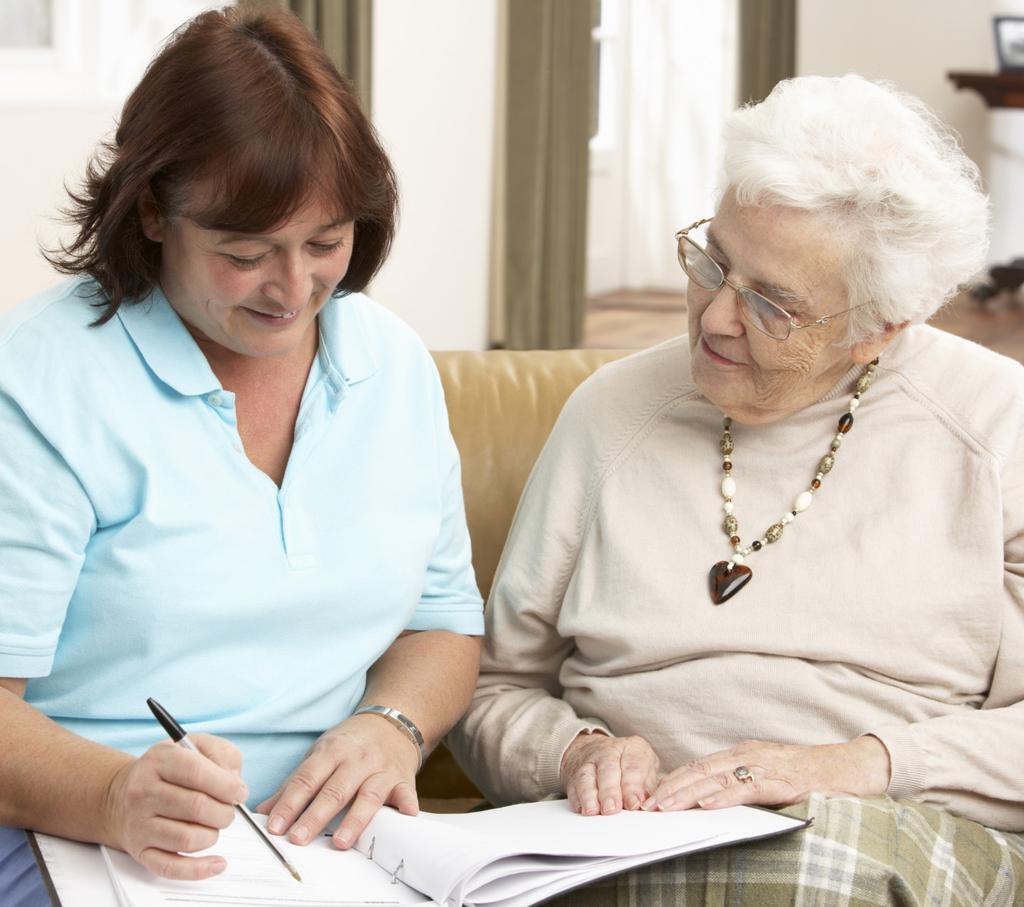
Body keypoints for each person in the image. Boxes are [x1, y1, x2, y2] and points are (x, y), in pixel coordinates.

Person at [449, 74, 1024, 903]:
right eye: (711, 263)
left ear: (881, 326)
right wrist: (574, 752)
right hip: (620, 837)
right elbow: (492, 687)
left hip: (887, 827)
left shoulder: (994, 427)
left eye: (772, 304)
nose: (715, 317)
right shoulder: (611, 415)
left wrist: (862, 765)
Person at [0, 5, 483, 898]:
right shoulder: (39, 381)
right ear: (152, 211)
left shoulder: (393, 367)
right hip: (72, 837)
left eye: (325, 243)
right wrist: (115, 794)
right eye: (246, 253)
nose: (293, 290)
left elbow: (442, 621)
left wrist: (390, 723)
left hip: (322, 850)